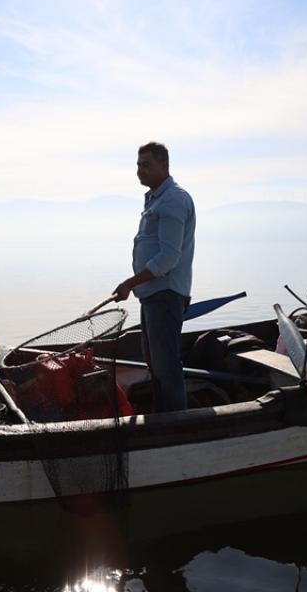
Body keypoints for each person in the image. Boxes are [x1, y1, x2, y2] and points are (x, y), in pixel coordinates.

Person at [111, 142, 196, 412]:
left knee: (166, 366)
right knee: (154, 364)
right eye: (138, 165)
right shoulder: (155, 198)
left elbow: (168, 258)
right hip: (152, 296)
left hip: (166, 295)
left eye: (146, 165)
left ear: (164, 165)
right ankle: (164, 416)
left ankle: (175, 425)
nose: (140, 171)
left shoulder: (173, 199)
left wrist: (129, 284)